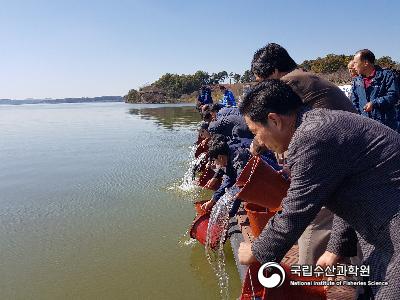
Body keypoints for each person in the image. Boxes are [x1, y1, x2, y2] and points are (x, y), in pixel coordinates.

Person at [238, 80, 400, 299]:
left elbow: (295, 210)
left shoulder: (310, 137)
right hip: (382, 226)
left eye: (256, 132)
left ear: (274, 120)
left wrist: (256, 252)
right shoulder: (315, 123)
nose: (258, 141)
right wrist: (336, 247)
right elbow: (345, 191)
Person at [250, 42, 357, 265]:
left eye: (263, 82)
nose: (264, 89)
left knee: (312, 222)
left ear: (275, 72)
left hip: (335, 162)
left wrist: (257, 143)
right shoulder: (306, 78)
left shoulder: (290, 84)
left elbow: (270, 118)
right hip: (344, 158)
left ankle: (315, 283)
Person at [351, 49, 399, 130]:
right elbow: (354, 102)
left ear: (366, 63)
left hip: (386, 126)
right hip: (366, 127)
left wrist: (374, 103)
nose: (353, 66)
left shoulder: (387, 75)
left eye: (355, 63)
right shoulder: (357, 81)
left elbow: (393, 96)